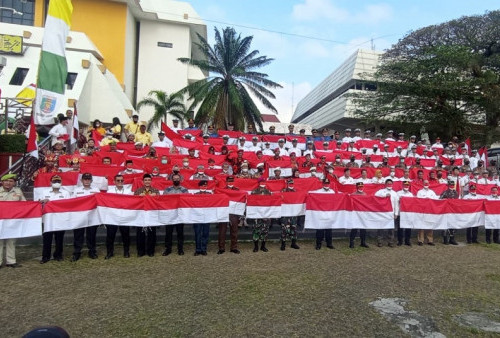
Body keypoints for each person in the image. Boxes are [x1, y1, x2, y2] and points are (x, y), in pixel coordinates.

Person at [39, 174, 71, 263]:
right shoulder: (44, 192)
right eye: (54, 181)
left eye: (58, 181)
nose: (56, 183)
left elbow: (68, 205)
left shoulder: (66, 193)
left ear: (61, 183)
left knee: (59, 238)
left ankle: (58, 255)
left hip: (60, 219)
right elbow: (38, 203)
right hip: (47, 219)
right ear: (50, 182)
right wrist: (43, 202)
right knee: (47, 239)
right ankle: (45, 256)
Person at [71, 173, 100, 261]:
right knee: (78, 235)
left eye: (88, 179)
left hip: (92, 216)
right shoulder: (76, 190)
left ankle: (92, 251)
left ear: (91, 180)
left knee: (91, 235)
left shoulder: (96, 190)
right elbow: (72, 202)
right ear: (82, 180)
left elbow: (100, 201)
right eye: (85, 179)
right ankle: (77, 253)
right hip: (79, 216)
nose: (87, 181)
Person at [0, 174, 26, 267]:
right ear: (2, 182)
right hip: (1, 220)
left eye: (11, 181)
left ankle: (11, 261)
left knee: (11, 241)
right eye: (6, 181)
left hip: (13, 221)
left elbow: (24, 204)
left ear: (14, 183)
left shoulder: (18, 191)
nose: (8, 183)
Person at [105, 175, 132, 259]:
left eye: (121, 180)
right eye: (118, 180)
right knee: (110, 236)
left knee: (126, 235)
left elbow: (131, 203)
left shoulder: (128, 192)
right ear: (114, 182)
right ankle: (110, 252)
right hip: (113, 217)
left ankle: (126, 252)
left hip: (124, 217)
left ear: (124, 181)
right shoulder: (109, 192)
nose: (120, 182)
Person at [162, 173, 188, 256]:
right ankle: (168, 249)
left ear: (180, 180)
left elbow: (187, 201)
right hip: (170, 215)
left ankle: (180, 249)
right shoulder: (167, 190)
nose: (176, 180)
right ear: (172, 180)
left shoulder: (185, 190)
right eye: (174, 178)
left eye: (178, 178)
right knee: (168, 233)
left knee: (180, 233)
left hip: (180, 215)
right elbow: (163, 201)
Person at [134, 174, 160, 257]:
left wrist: (155, 197)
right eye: (146, 180)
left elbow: (159, 203)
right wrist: (138, 197)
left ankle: (151, 251)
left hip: (152, 214)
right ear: (143, 181)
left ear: (151, 181)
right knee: (140, 233)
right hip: (141, 214)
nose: (147, 181)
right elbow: (134, 202)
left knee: (152, 233)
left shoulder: (156, 191)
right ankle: (140, 251)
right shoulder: (138, 191)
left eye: (149, 180)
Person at [217, 176, 240, 255]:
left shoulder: (237, 190)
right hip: (224, 212)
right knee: (222, 231)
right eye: (229, 181)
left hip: (234, 213)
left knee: (234, 231)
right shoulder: (222, 190)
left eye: (232, 181)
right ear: (226, 182)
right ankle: (221, 248)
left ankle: (234, 247)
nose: (230, 183)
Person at [374, 179, 399, 247]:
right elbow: (375, 197)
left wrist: (396, 213)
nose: (389, 185)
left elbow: (396, 204)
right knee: (381, 227)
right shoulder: (380, 191)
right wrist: (384, 195)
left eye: (391, 183)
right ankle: (380, 241)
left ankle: (390, 242)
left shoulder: (394, 193)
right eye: (388, 183)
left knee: (391, 229)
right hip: (382, 212)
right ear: (385, 184)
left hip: (391, 213)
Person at [312, 178, 335, 250]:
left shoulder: (332, 192)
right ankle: (318, 244)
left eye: (328, 183)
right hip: (321, 213)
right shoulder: (318, 192)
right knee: (320, 230)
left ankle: (329, 243)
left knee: (329, 230)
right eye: (325, 183)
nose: (326, 185)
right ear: (322, 184)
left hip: (329, 213)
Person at [250, 178, 272, 252]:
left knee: (265, 231)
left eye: (264, 182)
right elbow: (251, 202)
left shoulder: (268, 192)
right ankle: (256, 246)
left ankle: (263, 246)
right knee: (256, 230)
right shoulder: (254, 192)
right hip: (257, 214)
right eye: (261, 182)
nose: (263, 183)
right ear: (259, 183)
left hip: (266, 214)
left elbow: (272, 202)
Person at [280, 179, 300, 251]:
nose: (291, 185)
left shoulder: (296, 191)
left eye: (292, 183)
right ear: (287, 184)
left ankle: (293, 243)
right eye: (289, 183)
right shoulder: (283, 191)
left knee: (294, 229)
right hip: (285, 214)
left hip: (293, 213)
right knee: (284, 229)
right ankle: (283, 244)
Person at [416, 180, 438, 245]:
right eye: (425, 183)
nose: (426, 184)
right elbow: (417, 201)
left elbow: (435, 200)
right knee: (421, 225)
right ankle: (420, 240)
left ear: (429, 184)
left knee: (430, 225)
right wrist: (425, 199)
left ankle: (430, 240)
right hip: (422, 211)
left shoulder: (432, 192)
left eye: (427, 183)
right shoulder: (419, 192)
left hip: (430, 211)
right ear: (423, 184)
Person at [193, 180, 211, 256]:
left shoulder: (210, 195)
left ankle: (204, 249)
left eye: (205, 186)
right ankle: (198, 249)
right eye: (202, 186)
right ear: (199, 186)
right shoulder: (195, 195)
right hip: (197, 217)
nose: (203, 187)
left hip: (207, 217)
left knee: (205, 233)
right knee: (197, 233)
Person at [349, 182, 369, 249]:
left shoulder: (365, 194)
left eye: (362, 186)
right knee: (354, 229)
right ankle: (351, 242)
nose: (361, 187)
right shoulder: (353, 195)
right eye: (359, 186)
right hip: (355, 214)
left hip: (363, 213)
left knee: (363, 229)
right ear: (356, 187)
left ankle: (363, 242)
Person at [440, 180, 460, 245]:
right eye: (450, 185)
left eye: (453, 184)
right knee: (445, 225)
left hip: (453, 211)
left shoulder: (456, 193)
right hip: (446, 211)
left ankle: (452, 239)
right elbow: (440, 200)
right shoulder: (445, 192)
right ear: (448, 185)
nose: (452, 186)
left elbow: (458, 201)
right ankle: (445, 239)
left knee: (453, 225)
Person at [396, 181, 414, 246]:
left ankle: (407, 241)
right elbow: (395, 201)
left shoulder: (410, 194)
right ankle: (400, 241)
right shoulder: (398, 193)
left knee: (408, 227)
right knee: (400, 228)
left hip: (408, 213)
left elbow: (412, 203)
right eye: (405, 185)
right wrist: (399, 199)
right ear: (402, 185)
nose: (406, 186)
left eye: (407, 185)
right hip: (400, 212)